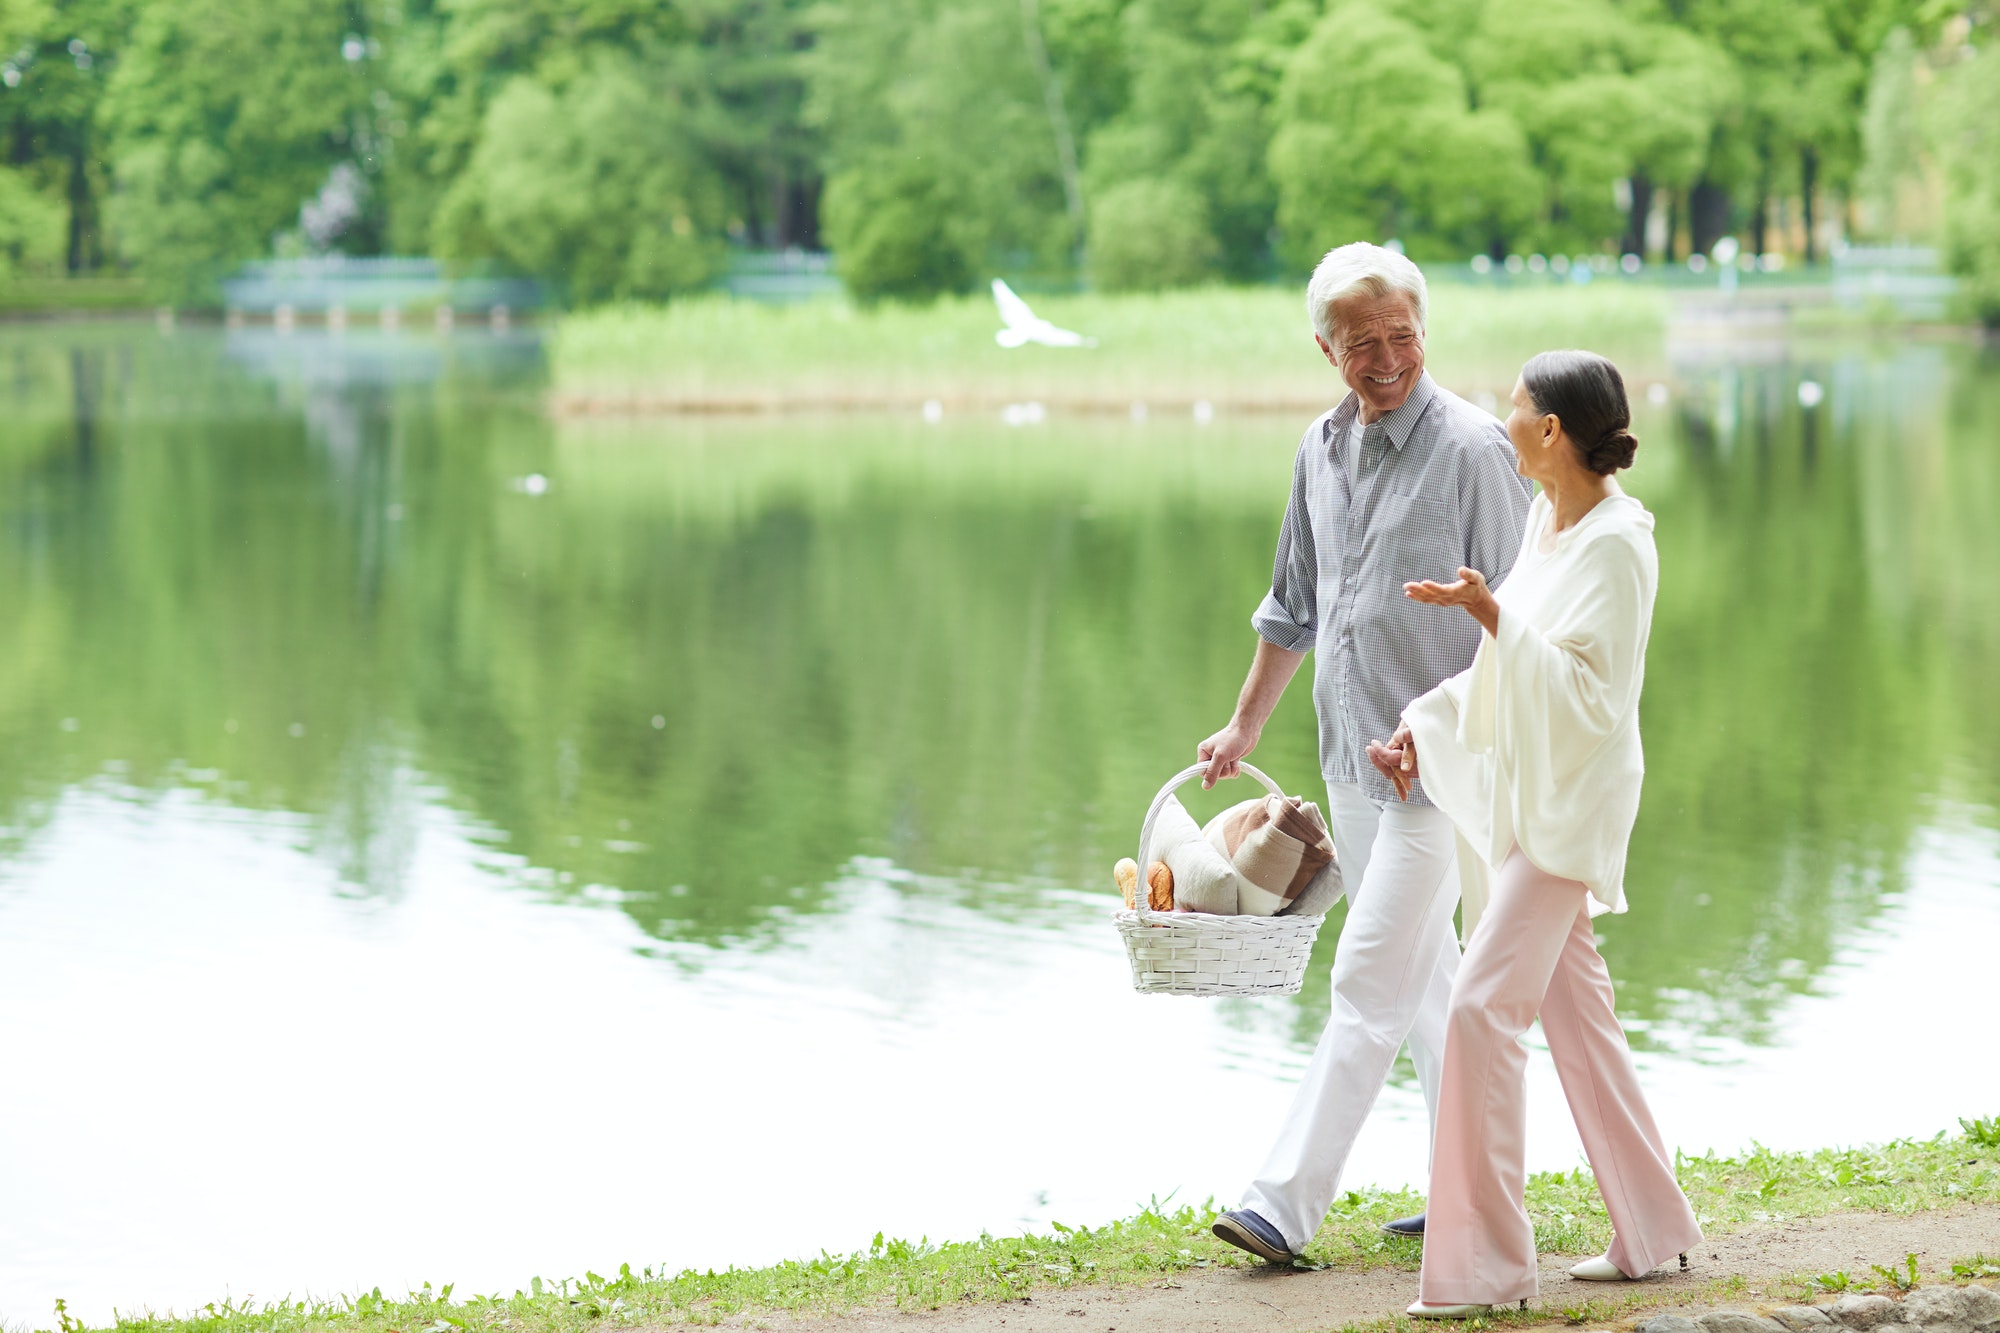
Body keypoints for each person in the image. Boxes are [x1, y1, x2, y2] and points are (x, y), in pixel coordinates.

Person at [1202, 242, 1533, 1265]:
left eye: (1400, 336)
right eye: (1361, 344)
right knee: (1426, 980)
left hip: (1440, 771)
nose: (1385, 358)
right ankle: (1468, 1188)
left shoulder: (1477, 450)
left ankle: (1280, 1203)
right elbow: (1294, 606)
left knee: (1365, 978)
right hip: (1348, 759)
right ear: (1324, 348)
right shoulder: (1317, 448)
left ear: (1422, 331)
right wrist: (1245, 723)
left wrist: (1437, 728)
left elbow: (1517, 625)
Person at [1380, 350, 1703, 1317]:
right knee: (1580, 1017)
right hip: (1528, 791)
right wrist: (1422, 723)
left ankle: (1485, 1269)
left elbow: (1593, 697)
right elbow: (1508, 653)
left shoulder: (1619, 545)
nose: (1503, 416)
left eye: (1515, 406)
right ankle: (1654, 1231)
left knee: (1481, 1006)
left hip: (1571, 805)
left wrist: (1488, 614)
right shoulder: (1543, 520)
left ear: (1552, 430)